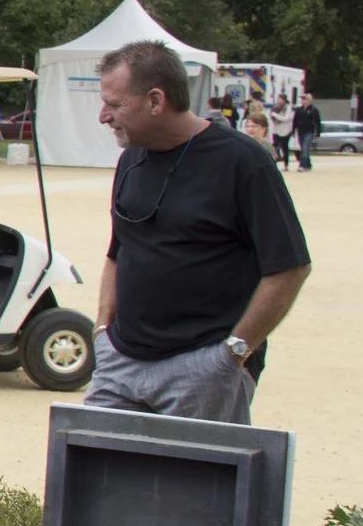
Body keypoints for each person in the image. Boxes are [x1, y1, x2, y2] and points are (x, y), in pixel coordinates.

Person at [83, 40, 309, 426]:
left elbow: (290, 267)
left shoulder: (243, 162)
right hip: (119, 365)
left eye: (115, 104)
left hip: (202, 369)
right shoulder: (130, 160)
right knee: (98, 479)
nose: (104, 116)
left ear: (156, 100)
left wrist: (233, 352)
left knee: (194, 486)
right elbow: (118, 251)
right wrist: (103, 332)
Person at [294, 91, 321, 171]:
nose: (303, 101)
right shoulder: (299, 110)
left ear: (309, 100)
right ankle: (308, 165)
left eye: (305, 99)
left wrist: (318, 133)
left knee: (305, 148)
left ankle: (302, 165)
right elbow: (295, 121)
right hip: (300, 131)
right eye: (302, 99)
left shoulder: (314, 110)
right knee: (303, 148)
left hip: (309, 132)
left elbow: (317, 122)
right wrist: (293, 130)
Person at [267, 92, 295, 169]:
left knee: (285, 148)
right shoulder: (275, 107)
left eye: (280, 99)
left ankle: (286, 165)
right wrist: (274, 116)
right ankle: (274, 163)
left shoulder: (288, 107)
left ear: (284, 100)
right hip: (276, 130)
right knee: (274, 148)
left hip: (285, 131)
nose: (278, 100)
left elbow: (286, 118)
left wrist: (275, 115)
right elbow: (271, 116)